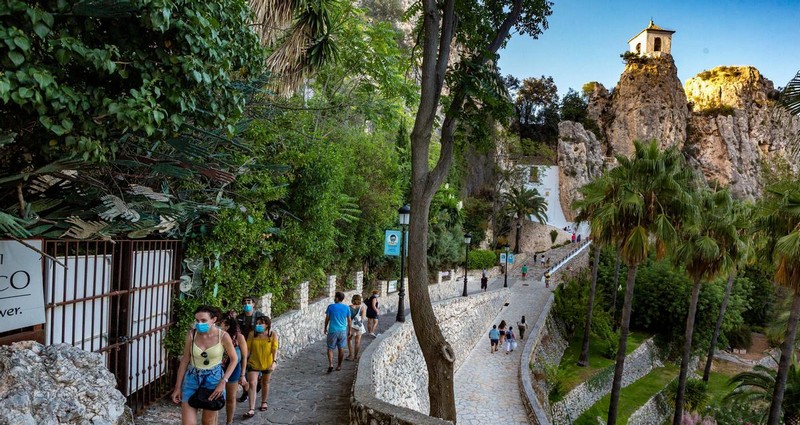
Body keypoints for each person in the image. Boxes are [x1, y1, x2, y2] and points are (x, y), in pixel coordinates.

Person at [171, 305, 238, 425]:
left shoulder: (223, 336)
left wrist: (223, 381)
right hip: (192, 377)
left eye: (203, 320)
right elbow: (185, 359)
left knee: (207, 422)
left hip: (213, 379)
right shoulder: (192, 335)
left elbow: (234, 359)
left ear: (214, 320)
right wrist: (177, 387)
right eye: (197, 320)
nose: (199, 323)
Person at [244, 316, 278, 418]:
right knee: (252, 383)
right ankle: (251, 409)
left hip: (267, 363)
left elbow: (274, 349)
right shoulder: (252, 334)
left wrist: (274, 361)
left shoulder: (272, 335)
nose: (257, 325)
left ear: (267, 324)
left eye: (260, 323)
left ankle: (264, 402)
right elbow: (248, 349)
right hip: (253, 362)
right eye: (257, 323)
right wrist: (244, 361)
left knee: (265, 382)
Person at [220, 314, 248, 425]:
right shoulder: (217, 336)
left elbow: (244, 356)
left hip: (234, 369)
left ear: (227, 325)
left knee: (231, 397)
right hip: (218, 369)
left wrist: (242, 374)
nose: (218, 325)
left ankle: (229, 421)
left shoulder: (238, 337)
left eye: (220, 323)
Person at [236, 297, 263, 403]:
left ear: (253, 304)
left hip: (256, 347)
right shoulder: (239, 317)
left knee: (255, 369)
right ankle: (246, 391)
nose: (247, 304)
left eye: (249, 302)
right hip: (243, 347)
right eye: (245, 302)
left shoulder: (259, 316)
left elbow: (265, 329)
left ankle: (256, 384)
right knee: (244, 370)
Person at [324, 291, 351, 373]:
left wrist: (325, 328)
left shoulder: (330, 307)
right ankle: (339, 366)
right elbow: (349, 320)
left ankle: (331, 364)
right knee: (341, 348)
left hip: (332, 330)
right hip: (342, 331)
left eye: (335, 297)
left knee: (330, 348)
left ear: (337, 298)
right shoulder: (346, 308)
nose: (334, 298)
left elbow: (327, 319)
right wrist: (349, 330)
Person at [347, 294, 367, 361]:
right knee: (357, 342)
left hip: (351, 326)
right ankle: (355, 357)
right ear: (359, 300)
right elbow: (363, 318)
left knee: (349, 340)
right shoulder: (362, 307)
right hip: (359, 327)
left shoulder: (349, 307)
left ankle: (350, 355)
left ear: (352, 299)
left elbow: (348, 318)